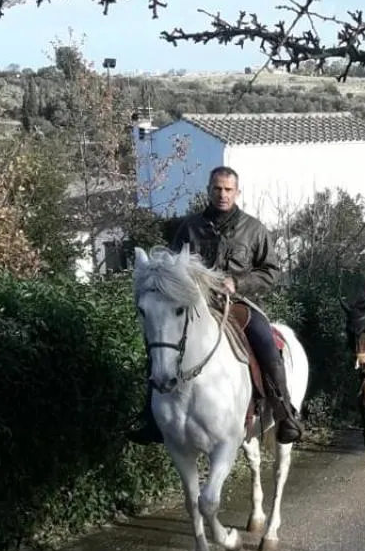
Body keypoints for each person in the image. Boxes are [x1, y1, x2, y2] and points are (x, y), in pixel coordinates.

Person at [130, 167, 304, 444]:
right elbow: (172, 270)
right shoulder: (189, 227)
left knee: (264, 340)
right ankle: (152, 417)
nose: (222, 194)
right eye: (217, 189)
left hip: (239, 304)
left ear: (237, 192)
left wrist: (239, 282)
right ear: (209, 190)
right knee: (159, 344)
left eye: (228, 189)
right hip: (194, 305)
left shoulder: (254, 228)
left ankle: (285, 413)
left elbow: (271, 271)